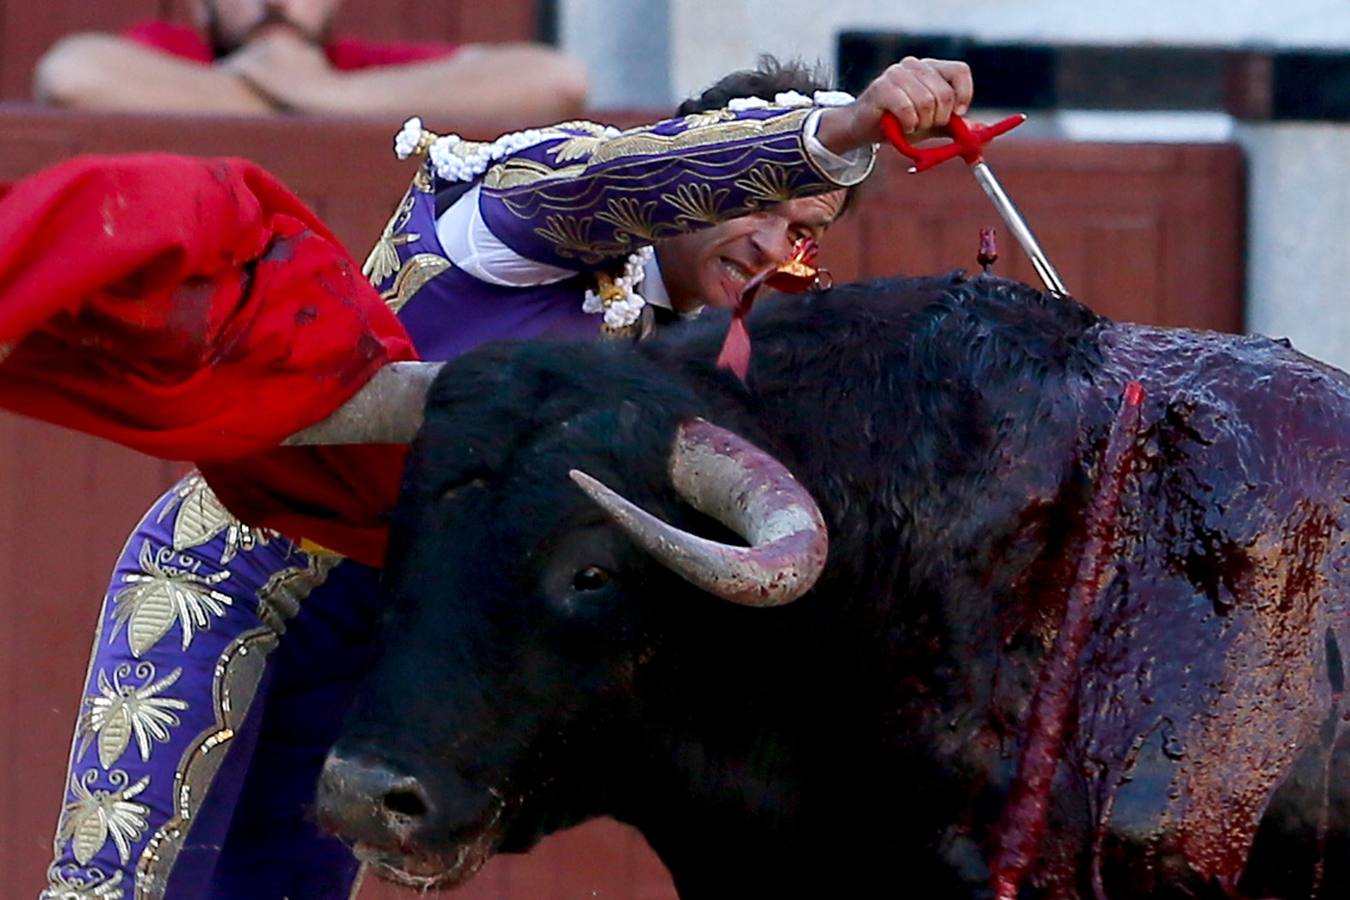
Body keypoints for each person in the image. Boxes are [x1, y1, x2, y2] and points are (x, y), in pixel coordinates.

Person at [22, 54, 974, 898]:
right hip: (236, 579)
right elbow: (647, 171)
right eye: (760, 203)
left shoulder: (681, 373)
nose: (774, 246)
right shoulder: (532, 215)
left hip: (380, 648)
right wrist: (842, 132)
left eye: (804, 230)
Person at [32, 0, 589, 121]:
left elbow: (555, 80)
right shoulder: (175, 51)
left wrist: (320, 94)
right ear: (200, 8)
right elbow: (73, 75)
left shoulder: (356, 63)